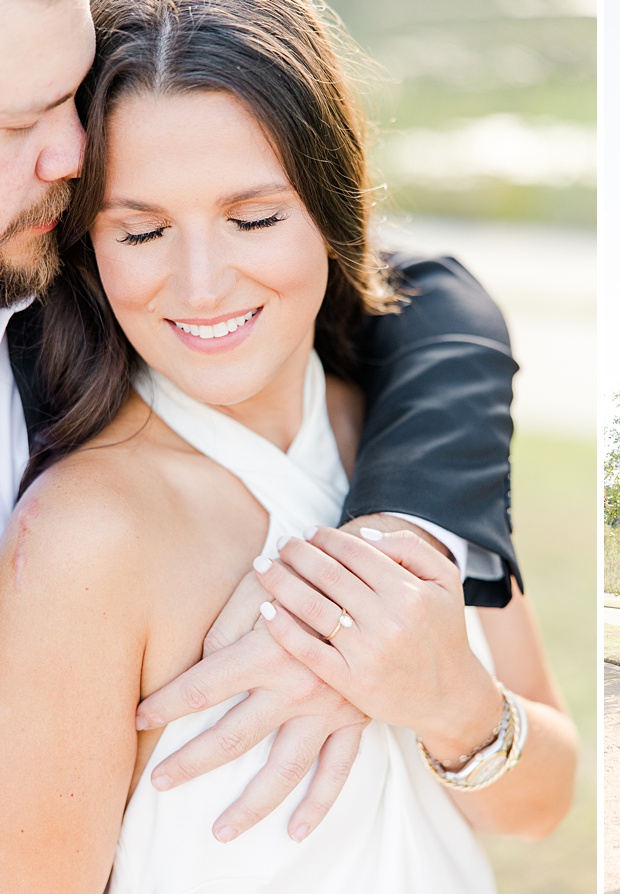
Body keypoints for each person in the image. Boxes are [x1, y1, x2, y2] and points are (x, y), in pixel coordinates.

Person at [0, 0, 577, 890]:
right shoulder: (91, 534)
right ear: (85, 240)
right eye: (141, 231)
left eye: (255, 219)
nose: (200, 286)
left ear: (333, 206)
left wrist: (450, 698)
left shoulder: (407, 452)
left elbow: (541, 809)